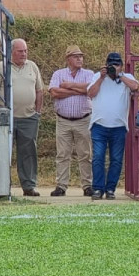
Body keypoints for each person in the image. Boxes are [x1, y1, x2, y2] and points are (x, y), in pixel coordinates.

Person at [86, 51, 139, 199]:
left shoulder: (126, 77)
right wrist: (102, 78)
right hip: (99, 125)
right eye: (111, 65)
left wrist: (120, 75)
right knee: (98, 157)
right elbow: (90, 93)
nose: (113, 68)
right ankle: (97, 188)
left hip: (119, 126)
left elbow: (135, 86)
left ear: (121, 66)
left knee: (116, 159)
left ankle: (110, 189)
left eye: (116, 65)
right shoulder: (98, 76)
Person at [48, 45, 96, 197]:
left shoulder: (89, 74)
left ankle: (87, 185)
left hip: (83, 119)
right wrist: (78, 90)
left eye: (81, 56)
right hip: (63, 120)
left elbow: (90, 89)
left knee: (85, 154)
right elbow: (54, 92)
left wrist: (68, 86)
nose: (79, 59)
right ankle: (61, 185)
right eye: (76, 56)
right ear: (68, 59)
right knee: (62, 154)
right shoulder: (58, 73)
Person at [0, 38, 44, 195]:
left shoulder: (32, 66)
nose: (24, 54)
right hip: (7, 118)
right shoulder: (2, 66)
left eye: (25, 51)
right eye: (20, 51)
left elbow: (39, 90)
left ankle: (29, 186)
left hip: (29, 117)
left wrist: (37, 111)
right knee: (4, 152)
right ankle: (3, 186)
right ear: (12, 52)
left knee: (28, 153)